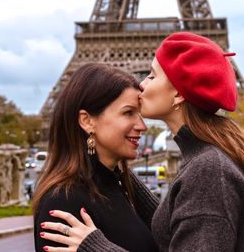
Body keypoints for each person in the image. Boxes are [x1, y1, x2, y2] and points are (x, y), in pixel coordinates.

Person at [45, 32, 244, 251]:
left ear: (178, 93)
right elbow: (181, 226)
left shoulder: (208, 170)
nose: (142, 84)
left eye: (153, 75)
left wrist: (94, 246)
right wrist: (116, 166)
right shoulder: (213, 156)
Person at [33, 63, 159, 252]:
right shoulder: (64, 201)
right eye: (128, 113)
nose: (142, 126)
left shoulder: (118, 187)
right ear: (87, 121)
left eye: (139, 114)